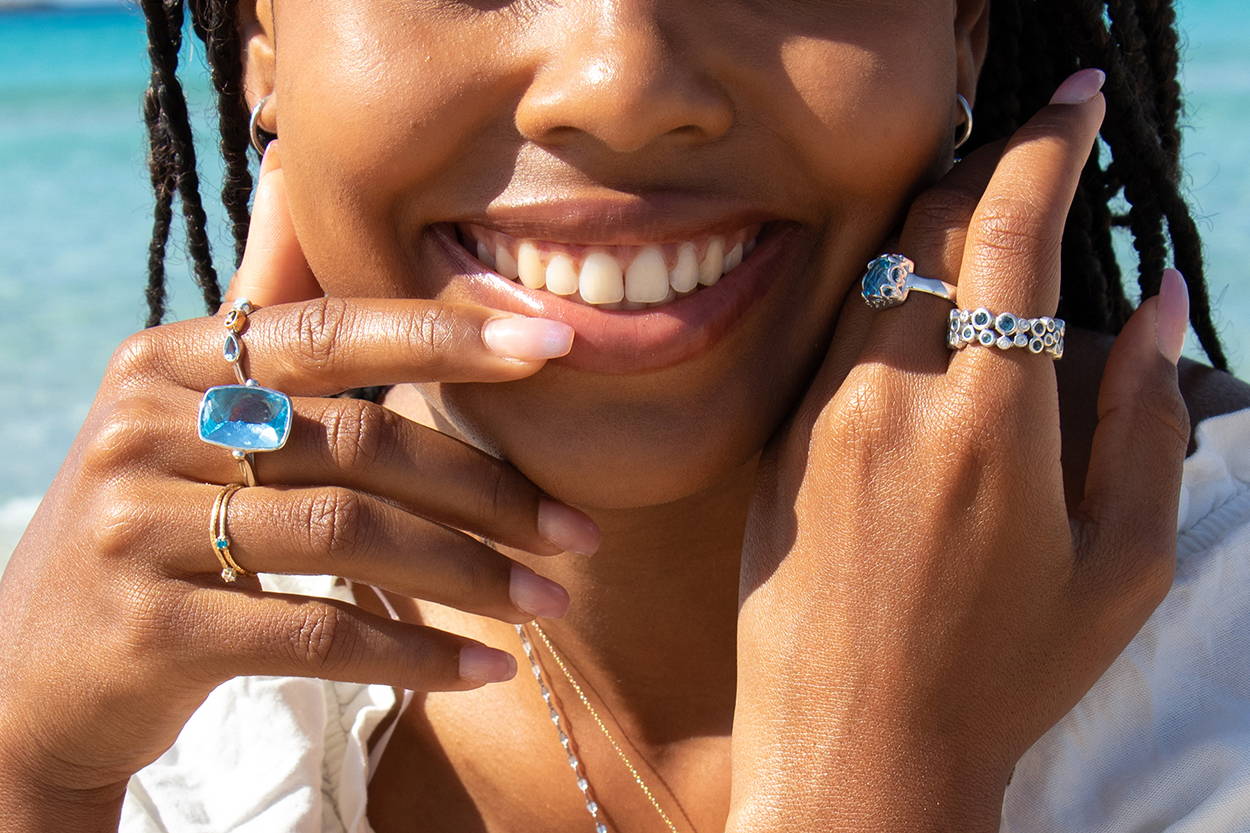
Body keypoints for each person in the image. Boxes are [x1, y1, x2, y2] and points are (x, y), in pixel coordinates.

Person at [2, 0, 1249, 830]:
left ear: (959, 31)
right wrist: (41, 774)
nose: (620, 82)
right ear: (264, 38)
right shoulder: (131, 683)